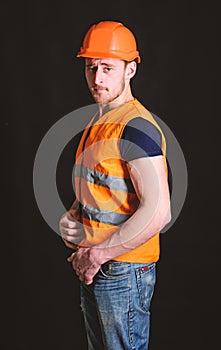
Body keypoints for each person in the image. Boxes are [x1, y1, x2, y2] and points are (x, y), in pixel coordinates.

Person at [59, 20, 171, 350]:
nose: (98, 78)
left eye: (108, 67)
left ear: (131, 69)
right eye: (91, 68)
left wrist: (99, 255)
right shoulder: (101, 121)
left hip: (122, 270)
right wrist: (75, 213)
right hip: (97, 264)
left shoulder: (136, 127)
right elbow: (107, 188)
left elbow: (159, 212)